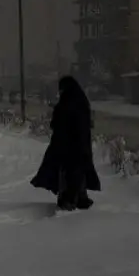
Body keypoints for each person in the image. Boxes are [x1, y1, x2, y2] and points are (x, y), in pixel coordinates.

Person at [30, 75, 101, 211]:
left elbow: (59, 123)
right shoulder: (82, 102)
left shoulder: (66, 103)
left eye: (61, 89)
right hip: (81, 145)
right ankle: (80, 198)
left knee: (67, 173)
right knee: (79, 172)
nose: (60, 92)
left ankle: (68, 200)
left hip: (66, 145)